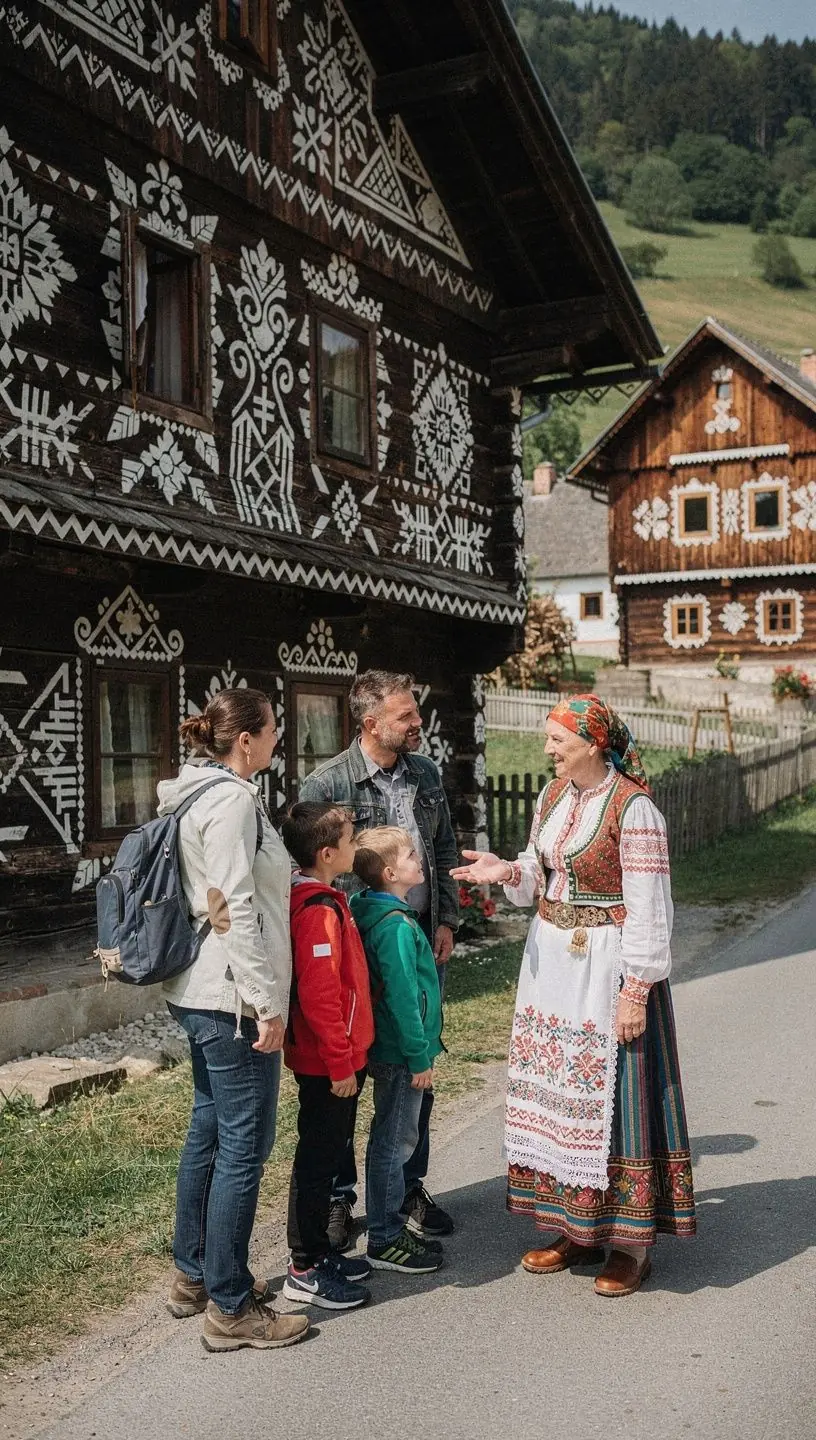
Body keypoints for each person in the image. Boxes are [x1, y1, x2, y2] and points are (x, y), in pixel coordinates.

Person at [452, 694, 696, 1298]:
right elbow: (540, 870)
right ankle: (577, 1226)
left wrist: (635, 991)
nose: (547, 748)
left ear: (593, 742)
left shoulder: (634, 809)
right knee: (562, 1091)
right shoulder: (553, 797)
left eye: (557, 739)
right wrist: (506, 871)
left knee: (616, 1094)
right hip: (553, 964)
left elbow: (650, 908)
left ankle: (632, 1244)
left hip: (608, 964)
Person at [160, 688, 310, 1352]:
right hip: (230, 997)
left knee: (211, 1130)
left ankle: (193, 1276)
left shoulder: (195, 792)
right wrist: (267, 1004)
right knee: (243, 1146)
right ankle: (230, 1306)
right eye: (273, 729)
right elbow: (231, 907)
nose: (278, 738)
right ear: (245, 739)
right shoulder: (230, 802)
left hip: (200, 990)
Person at [299, 670, 459, 1250]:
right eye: (405, 717)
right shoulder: (327, 782)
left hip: (418, 942)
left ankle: (405, 1187)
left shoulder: (426, 773)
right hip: (356, 954)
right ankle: (344, 1196)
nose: (418, 725)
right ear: (371, 725)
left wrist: (444, 920)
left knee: (416, 1065)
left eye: (415, 714)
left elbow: (444, 846)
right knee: (351, 1073)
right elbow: (310, 868)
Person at [279, 801, 374, 1311]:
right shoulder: (317, 911)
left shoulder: (325, 898)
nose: (356, 844)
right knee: (317, 1160)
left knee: (325, 1151)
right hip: (327, 1061)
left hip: (332, 1057)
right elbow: (320, 998)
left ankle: (316, 1253)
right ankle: (305, 1266)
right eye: (351, 838)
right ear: (327, 852)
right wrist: (341, 1063)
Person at [350, 827, 445, 1274]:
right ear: (390, 872)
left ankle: (388, 1225)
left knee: (393, 1136)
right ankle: (385, 1236)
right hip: (400, 1052)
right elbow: (404, 998)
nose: (419, 858)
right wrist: (419, 1055)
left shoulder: (374, 912)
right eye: (411, 854)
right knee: (394, 1141)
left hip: (389, 1048)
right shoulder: (395, 928)